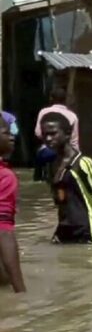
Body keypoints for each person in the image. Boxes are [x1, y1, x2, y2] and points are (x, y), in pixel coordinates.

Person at [40, 112, 92, 246]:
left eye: (53, 133)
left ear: (67, 134)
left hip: (89, 235)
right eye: (45, 135)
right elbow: (61, 203)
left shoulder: (83, 164)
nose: (48, 138)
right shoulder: (52, 165)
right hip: (65, 234)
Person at [0, 113, 25, 293]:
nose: (11, 136)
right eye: (5, 132)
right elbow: (4, 234)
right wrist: (21, 292)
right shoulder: (5, 177)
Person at [34, 87, 79, 182]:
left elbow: (38, 133)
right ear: (65, 99)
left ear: (51, 98)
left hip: (47, 152)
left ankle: (38, 176)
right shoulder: (72, 116)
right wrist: (77, 156)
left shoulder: (44, 112)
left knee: (40, 156)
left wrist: (46, 141)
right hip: (67, 153)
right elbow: (74, 140)